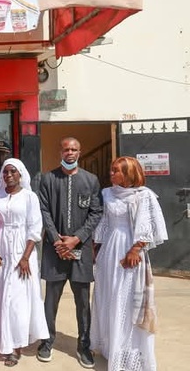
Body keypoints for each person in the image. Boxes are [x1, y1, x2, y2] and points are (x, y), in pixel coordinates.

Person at [90, 157, 168, 371]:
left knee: (126, 299)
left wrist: (135, 249)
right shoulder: (107, 194)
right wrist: (96, 250)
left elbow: (150, 226)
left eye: (116, 171)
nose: (111, 173)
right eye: (111, 169)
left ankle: (128, 351)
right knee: (108, 296)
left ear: (129, 173)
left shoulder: (144, 196)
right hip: (109, 251)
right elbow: (102, 223)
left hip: (130, 251)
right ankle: (109, 346)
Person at [37, 137, 102, 368]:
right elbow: (43, 211)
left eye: (74, 149)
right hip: (55, 251)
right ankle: (47, 342)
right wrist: (57, 240)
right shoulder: (47, 179)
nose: (70, 153)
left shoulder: (90, 180)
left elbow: (96, 213)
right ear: (60, 151)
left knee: (83, 302)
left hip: (80, 251)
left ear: (80, 151)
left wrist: (76, 239)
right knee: (51, 301)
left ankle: (83, 346)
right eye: (66, 149)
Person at [0, 158, 49, 367]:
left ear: (20, 174)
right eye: (5, 172)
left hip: (22, 251)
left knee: (18, 300)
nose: (8, 175)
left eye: (13, 171)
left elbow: (34, 229)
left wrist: (25, 258)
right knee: (1, 295)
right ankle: (1, 339)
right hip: (1, 250)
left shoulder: (29, 197)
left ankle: (16, 345)